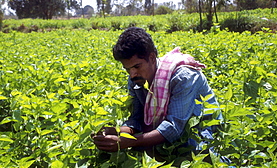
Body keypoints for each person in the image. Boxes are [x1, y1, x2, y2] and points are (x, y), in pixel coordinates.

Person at [93, 27, 221, 157]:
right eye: (127, 69)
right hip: (168, 130)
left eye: (137, 66)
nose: (132, 74)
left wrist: (129, 142)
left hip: (201, 128)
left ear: (152, 58)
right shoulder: (135, 80)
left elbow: (174, 127)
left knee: (197, 151)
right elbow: (137, 119)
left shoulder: (182, 77)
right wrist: (117, 132)